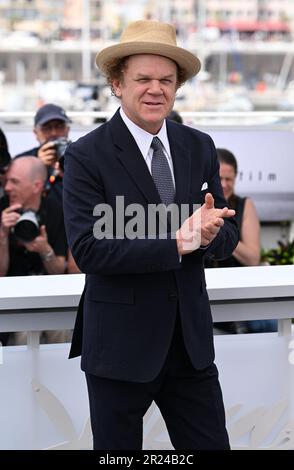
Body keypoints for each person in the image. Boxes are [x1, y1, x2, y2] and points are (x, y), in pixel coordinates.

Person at [63, 19, 238, 450]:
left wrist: (212, 233)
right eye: (142, 79)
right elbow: (89, 249)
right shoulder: (86, 155)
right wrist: (178, 242)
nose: (155, 89)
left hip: (190, 346)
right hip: (119, 347)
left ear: (177, 86)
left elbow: (226, 231)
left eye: (166, 80)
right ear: (117, 84)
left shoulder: (199, 146)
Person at [206, 148, 276, 333]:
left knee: (268, 325)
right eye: (220, 179)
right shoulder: (199, 204)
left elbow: (253, 258)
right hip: (205, 294)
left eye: (229, 179)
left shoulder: (245, 205)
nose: (224, 184)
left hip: (239, 295)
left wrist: (222, 228)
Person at [15, 103, 71, 204]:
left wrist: (71, 173)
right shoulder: (22, 161)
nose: (54, 133)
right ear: (35, 133)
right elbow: (16, 197)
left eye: (59, 127)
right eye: (47, 128)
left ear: (67, 129)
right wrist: (38, 167)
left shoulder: (80, 156)